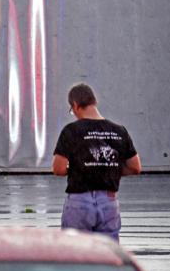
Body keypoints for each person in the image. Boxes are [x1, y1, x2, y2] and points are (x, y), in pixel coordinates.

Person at [52, 83, 141, 242]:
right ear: (94, 102)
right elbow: (135, 167)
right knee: (107, 256)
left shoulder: (71, 130)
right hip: (109, 201)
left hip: (79, 200)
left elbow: (58, 168)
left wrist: (78, 168)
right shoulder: (119, 130)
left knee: (75, 254)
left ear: (75, 105)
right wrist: (108, 168)